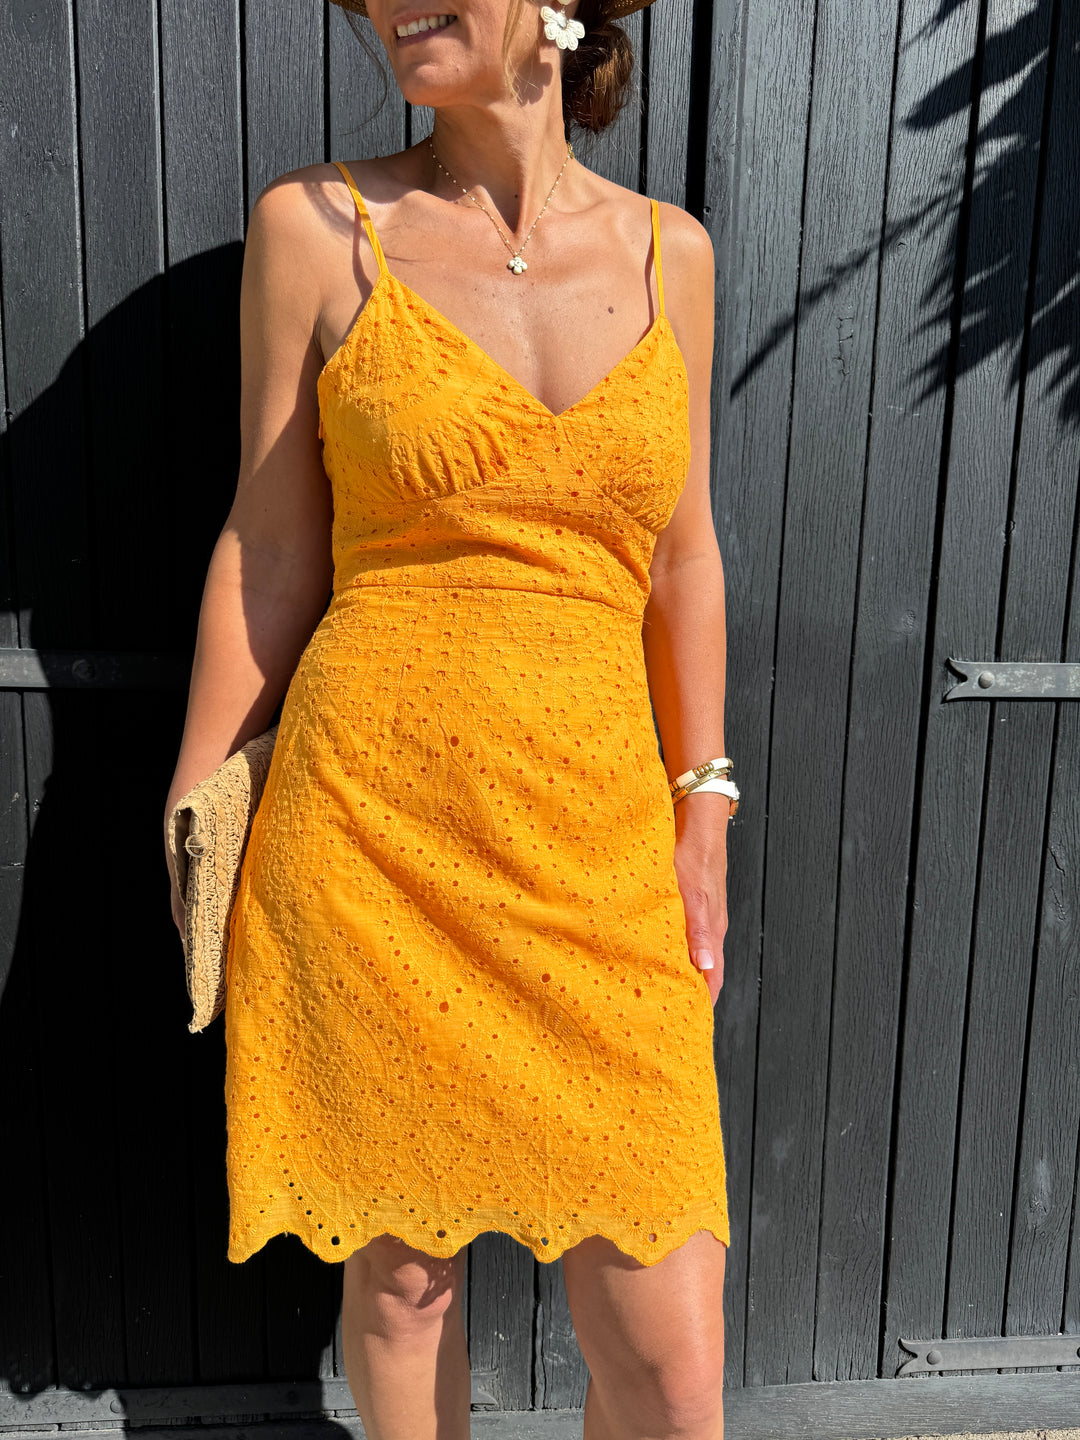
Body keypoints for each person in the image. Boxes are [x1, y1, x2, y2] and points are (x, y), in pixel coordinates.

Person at [164, 0, 735, 1434]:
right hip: (373, 829)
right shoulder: (318, 229)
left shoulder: (671, 253)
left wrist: (706, 800)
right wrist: (194, 806)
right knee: (405, 1287)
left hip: (598, 840)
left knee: (671, 1358)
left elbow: (683, 559)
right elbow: (270, 548)